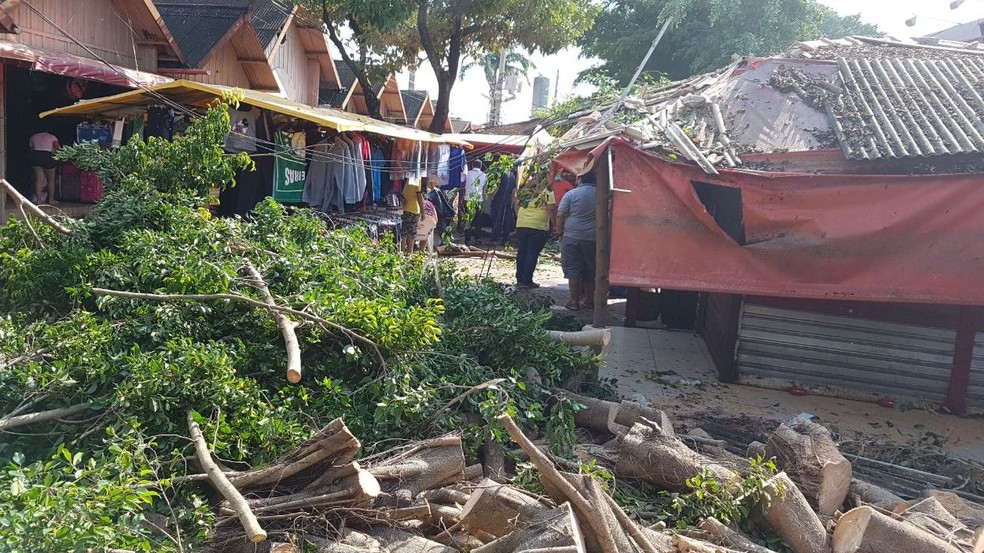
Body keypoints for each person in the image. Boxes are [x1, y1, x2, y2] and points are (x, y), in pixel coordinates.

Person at [556, 173, 597, 311]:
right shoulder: (602, 195)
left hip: (572, 236)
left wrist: (559, 231)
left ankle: (574, 301)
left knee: (573, 269)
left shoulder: (571, 194)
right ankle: (590, 300)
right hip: (593, 237)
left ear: (579, 180)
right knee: (591, 269)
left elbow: (560, 214)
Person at [513, 183, 557, 289]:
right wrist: (555, 224)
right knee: (532, 253)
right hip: (538, 225)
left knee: (522, 251)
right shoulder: (548, 191)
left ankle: (520, 279)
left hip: (522, 224)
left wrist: (521, 217)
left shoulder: (524, 189)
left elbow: (516, 205)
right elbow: (551, 209)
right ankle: (527, 280)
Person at [29, 129, 61, 204]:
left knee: (39, 179)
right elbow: (58, 148)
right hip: (47, 156)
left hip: (35, 156)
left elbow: (31, 149)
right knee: (51, 180)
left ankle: (38, 200)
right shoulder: (52, 137)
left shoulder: (33, 137)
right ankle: (51, 200)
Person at [491, 166, 518, 245]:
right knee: (507, 220)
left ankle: (495, 239)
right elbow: (514, 190)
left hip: (499, 199)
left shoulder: (501, 174)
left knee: (497, 219)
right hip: (509, 200)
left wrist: (492, 196)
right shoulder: (513, 176)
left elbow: (497, 187)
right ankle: (505, 239)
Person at [401, 177, 426, 254]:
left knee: (404, 232)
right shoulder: (417, 180)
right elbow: (419, 196)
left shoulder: (407, 180)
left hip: (405, 209)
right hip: (414, 210)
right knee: (411, 233)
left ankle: (401, 252)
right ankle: (409, 253)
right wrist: (423, 211)